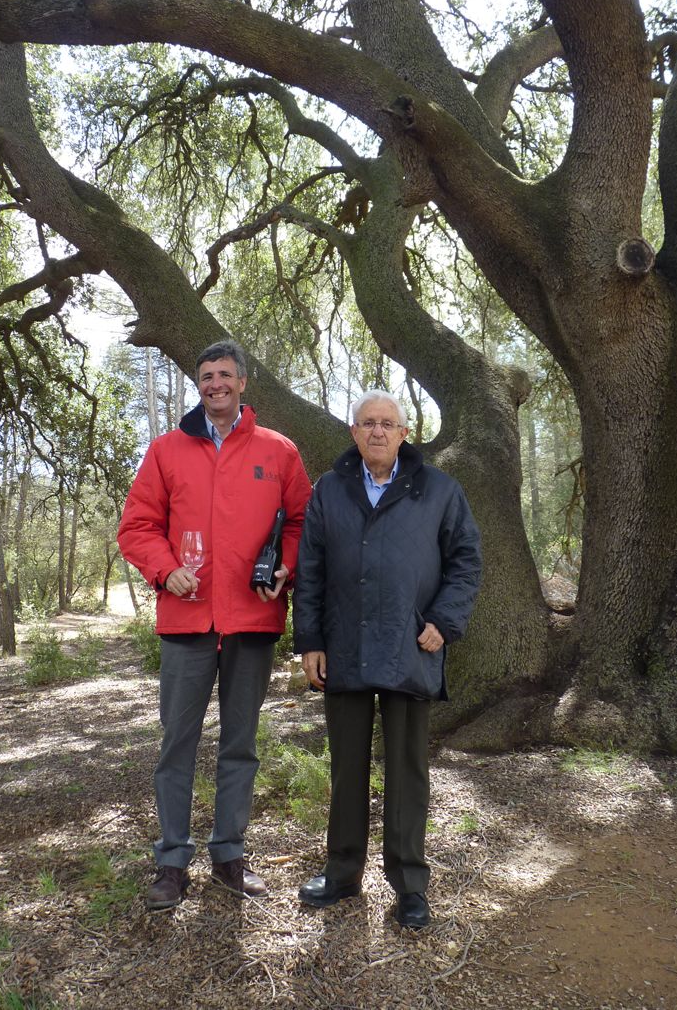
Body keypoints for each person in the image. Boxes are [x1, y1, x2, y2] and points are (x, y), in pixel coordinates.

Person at [117, 339, 312, 911]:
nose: (215, 383)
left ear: (244, 382)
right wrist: (166, 569)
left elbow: (303, 523)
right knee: (176, 745)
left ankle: (229, 855)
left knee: (239, 746)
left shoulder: (279, 452)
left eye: (225, 374)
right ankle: (171, 863)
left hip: (252, 621)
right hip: (187, 622)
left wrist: (287, 566)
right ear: (198, 384)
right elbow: (136, 527)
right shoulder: (166, 451)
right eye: (206, 375)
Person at [292, 390, 482, 929]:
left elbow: (467, 560)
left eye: (388, 423)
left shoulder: (439, 490)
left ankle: (410, 886)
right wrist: (310, 640)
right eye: (367, 423)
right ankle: (342, 874)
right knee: (346, 768)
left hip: (410, 645)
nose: (377, 431)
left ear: (404, 434)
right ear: (353, 433)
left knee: (407, 772)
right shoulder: (330, 490)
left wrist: (444, 622)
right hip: (345, 647)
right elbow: (310, 570)